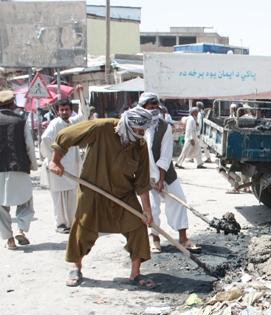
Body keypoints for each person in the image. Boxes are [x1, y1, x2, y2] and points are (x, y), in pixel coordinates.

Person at [48, 106, 155, 288]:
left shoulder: (140, 145)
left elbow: (142, 181)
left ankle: (135, 274)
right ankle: (76, 268)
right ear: (128, 125)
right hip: (93, 191)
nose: (141, 134)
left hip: (123, 195)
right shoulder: (102, 128)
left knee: (138, 226)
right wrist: (55, 160)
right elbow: (66, 135)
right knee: (82, 228)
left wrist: (147, 210)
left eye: (143, 131)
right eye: (138, 130)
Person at [138, 92, 197, 253]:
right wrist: (150, 178)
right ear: (142, 108)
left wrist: (161, 179)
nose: (153, 110)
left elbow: (165, 155)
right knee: (152, 207)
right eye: (150, 107)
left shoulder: (164, 126)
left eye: (155, 106)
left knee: (179, 199)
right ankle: (155, 238)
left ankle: (183, 238)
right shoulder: (137, 126)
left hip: (166, 173)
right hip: (145, 174)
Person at [40, 86, 88, 234]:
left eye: (66, 109)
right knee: (59, 197)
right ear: (58, 111)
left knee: (72, 195)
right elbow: (45, 139)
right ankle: (61, 224)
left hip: (72, 166)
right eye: (61, 110)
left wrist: (80, 94)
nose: (64, 112)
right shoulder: (55, 124)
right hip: (58, 167)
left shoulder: (72, 122)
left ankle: (72, 223)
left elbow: (84, 114)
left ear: (70, 110)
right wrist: (53, 160)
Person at [0, 89, 37, 250]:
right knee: (26, 200)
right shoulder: (21, 121)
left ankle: (9, 240)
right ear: (13, 103)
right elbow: (29, 146)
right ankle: (21, 229)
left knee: (1, 206)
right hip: (19, 167)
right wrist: (33, 165)